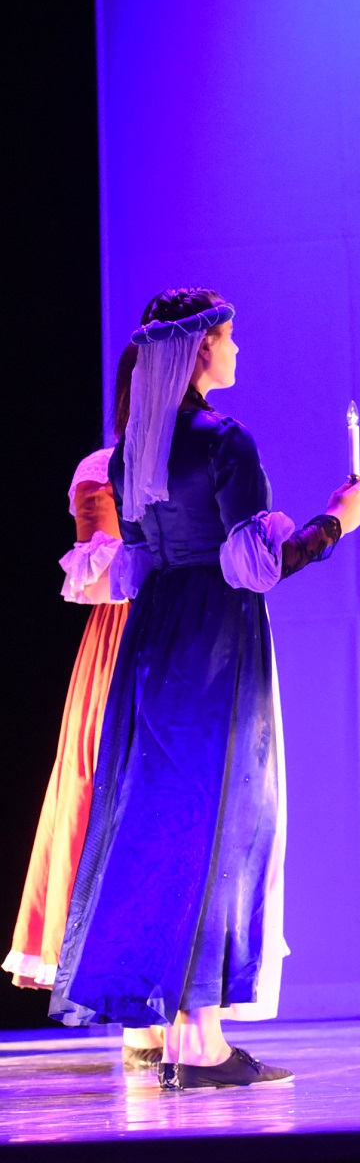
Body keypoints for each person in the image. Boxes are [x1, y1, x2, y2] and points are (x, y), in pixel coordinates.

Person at [49, 289, 360, 1089]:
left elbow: (135, 565)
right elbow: (256, 567)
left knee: (166, 823)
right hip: (215, 642)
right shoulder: (224, 441)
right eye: (228, 338)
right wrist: (336, 521)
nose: (236, 350)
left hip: (153, 638)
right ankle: (200, 1042)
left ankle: (178, 1032)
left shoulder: (132, 452)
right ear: (200, 350)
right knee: (225, 820)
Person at [6, 348, 164, 1069]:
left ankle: (183, 1003)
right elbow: (98, 577)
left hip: (191, 635)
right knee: (122, 803)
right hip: (130, 641)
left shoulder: (204, 455)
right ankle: (134, 1009)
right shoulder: (104, 469)